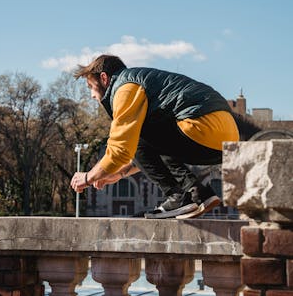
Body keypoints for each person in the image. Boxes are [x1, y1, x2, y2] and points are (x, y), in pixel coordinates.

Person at [70, 54, 239, 218]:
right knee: (139, 133)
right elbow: (150, 151)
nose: (92, 95)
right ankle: (198, 192)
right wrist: (119, 174)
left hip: (201, 126)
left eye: (91, 87)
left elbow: (121, 149)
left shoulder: (125, 87)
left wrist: (87, 177)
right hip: (223, 139)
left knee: (135, 131)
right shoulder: (143, 81)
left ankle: (177, 196)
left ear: (104, 78)